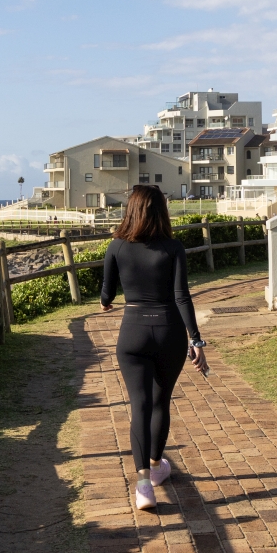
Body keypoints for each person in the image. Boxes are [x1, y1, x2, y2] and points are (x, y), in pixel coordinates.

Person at [100, 184, 208, 511]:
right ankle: (158, 465)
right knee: (161, 402)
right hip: (169, 332)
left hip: (132, 334)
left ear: (130, 209)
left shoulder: (116, 246)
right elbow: (181, 296)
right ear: (161, 210)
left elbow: (106, 294)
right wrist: (196, 339)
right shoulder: (174, 248)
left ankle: (144, 483)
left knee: (140, 406)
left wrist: (106, 303)